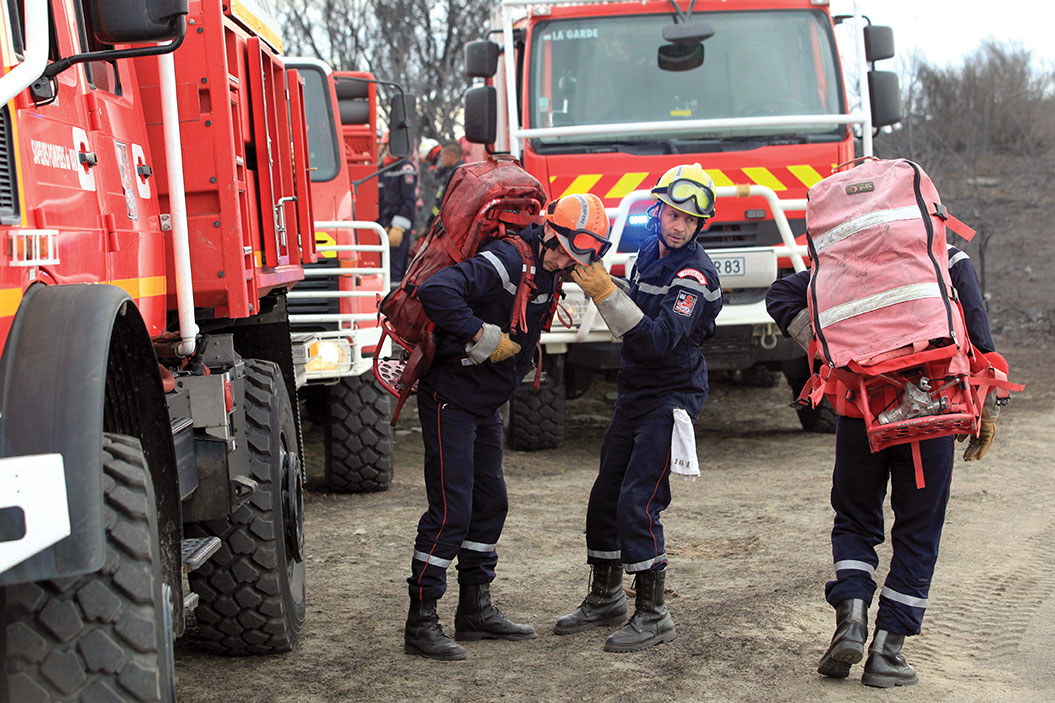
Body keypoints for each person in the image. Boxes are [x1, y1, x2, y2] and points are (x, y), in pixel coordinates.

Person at [765, 243, 1002, 687]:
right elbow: (978, 335)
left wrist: (830, 350)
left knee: (855, 521)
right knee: (918, 531)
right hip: (929, 416)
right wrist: (988, 407)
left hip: (861, 412)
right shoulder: (947, 257)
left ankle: (851, 621)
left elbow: (780, 294)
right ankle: (886, 653)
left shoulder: (843, 259)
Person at [405, 193, 614, 661]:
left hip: (482, 404)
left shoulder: (550, 267)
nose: (567, 263)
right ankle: (421, 621)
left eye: (577, 258)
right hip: (450, 399)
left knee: (490, 503)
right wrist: (480, 334)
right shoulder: (506, 259)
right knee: (451, 511)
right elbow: (437, 291)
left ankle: (475, 610)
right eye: (565, 252)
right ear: (550, 234)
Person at [555, 164, 723, 652]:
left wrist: (606, 293)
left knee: (639, 499)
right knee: (606, 494)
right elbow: (640, 312)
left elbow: (657, 339)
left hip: (671, 394)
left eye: (689, 220)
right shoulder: (649, 252)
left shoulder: (694, 275)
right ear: (658, 211)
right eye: (673, 214)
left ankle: (653, 614)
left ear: (699, 225)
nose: (679, 226)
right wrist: (606, 285)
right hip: (635, 389)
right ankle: (606, 596)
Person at [377, 130, 418, 285]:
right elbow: (380, 200)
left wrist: (399, 227)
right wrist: (382, 223)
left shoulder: (405, 167)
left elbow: (408, 200)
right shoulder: (383, 167)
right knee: (384, 268)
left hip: (398, 227)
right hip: (385, 224)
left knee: (396, 268)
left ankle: (394, 297)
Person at [424, 142, 465, 234]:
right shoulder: (461, 171)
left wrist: (430, 223)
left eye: (442, 156)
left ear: (451, 156)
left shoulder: (454, 174)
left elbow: (442, 203)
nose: (441, 159)